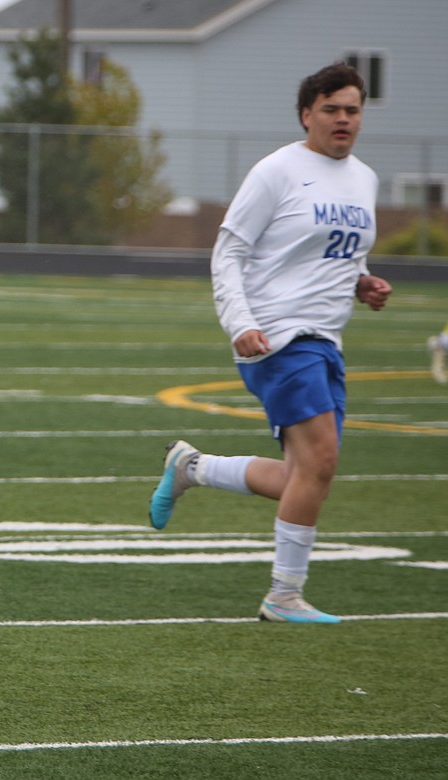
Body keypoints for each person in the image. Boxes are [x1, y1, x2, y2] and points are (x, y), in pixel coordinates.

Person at [148, 63, 392, 623]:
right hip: (278, 336)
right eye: (331, 109)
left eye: (353, 109)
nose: (343, 119)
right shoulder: (277, 171)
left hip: (325, 340)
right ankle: (283, 595)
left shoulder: (366, 179)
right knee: (321, 462)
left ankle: (193, 467)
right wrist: (239, 322)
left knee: (303, 474)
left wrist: (363, 281)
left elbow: (331, 253)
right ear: (307, 114)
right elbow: (229, 252)